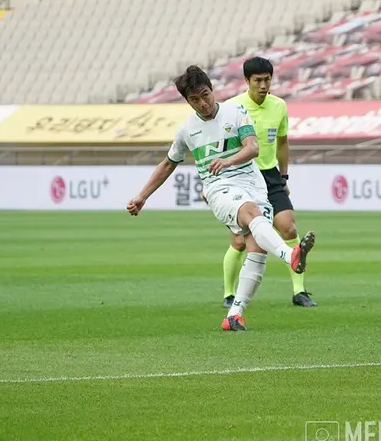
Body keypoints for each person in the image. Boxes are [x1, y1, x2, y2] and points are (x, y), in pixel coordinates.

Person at [126, 65, 316, 331]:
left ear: (212, 90)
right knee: (251, 213)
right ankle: (289, 254)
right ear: (187, 101)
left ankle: (234, 315)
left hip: (254, 184)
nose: (203, 104)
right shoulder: (187, 130)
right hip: (218, 188)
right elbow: (168, 164)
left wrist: (228, 160)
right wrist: (142, 196)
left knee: (257, 249)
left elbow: (252, 147)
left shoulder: (236, 112)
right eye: (194, 99)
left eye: (205, 95)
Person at [221, 56, 316, 309]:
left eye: (267, 80)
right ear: (247, 81)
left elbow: (283, 142)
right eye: (258, 81)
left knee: (289, 229)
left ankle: (299, 291)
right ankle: (229, 294)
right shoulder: (232, 108)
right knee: (240, 241)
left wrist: (283, 177)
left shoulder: (279, 106)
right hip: (241, 177)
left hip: (270, 175)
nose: (263, 85)